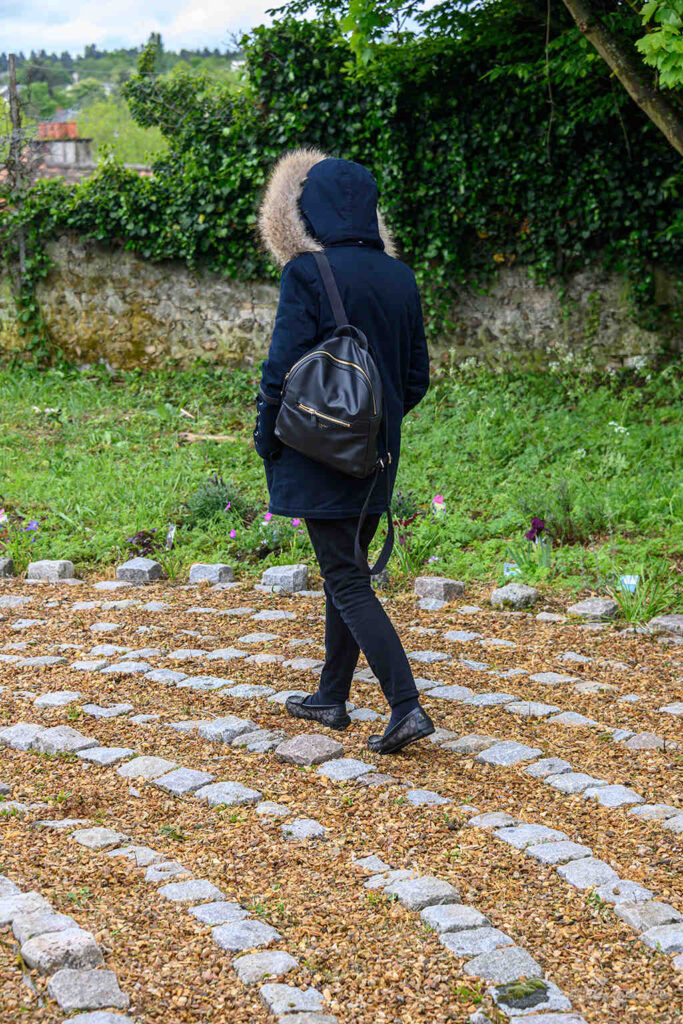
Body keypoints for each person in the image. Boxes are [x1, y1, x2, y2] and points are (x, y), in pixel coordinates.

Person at [253, 146, 434, 755]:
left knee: (346, 579)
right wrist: (370, 426)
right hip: (376, 452)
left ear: (316, 210)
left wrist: (268, 434)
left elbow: (281, 368)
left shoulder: (307, 273)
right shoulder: (400, 276)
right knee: (346, 574)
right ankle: (332, 696)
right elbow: (416, 378)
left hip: (319, 452)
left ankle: (405, 706)